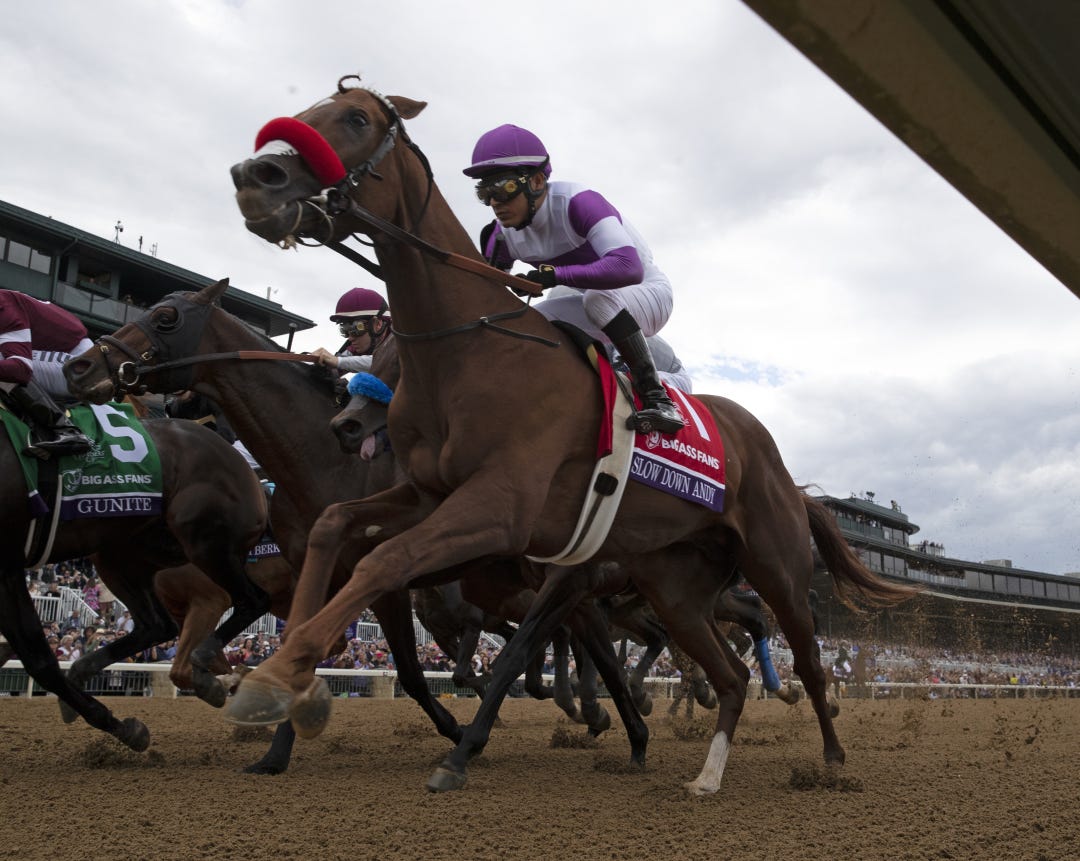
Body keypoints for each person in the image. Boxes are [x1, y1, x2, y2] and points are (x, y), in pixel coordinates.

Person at [464, 125, 685, 435]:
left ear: (537, 181)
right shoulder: (501, 235)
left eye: (502, 188)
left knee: (597, 299)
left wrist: (555, 275)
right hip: (597, 304)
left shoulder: (579, 203)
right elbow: (482, 297)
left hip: (647, 294)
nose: (494, 203)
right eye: (484, 193)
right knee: (528, 322)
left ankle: (658, 399)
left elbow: (628, 268)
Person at [0, 289, 94, 457]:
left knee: (6, 364)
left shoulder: (4, 305)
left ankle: (66, 431)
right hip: (59, 357)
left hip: (81, 365)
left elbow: (21, 369)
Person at [308, 287, 392, 374]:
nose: (350, 338)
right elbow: (336, 365)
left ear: (377, 324)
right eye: (345, 330)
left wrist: (337, 361)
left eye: (356, 328)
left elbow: (386, 360)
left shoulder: (398, 335)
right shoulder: (354, 348)